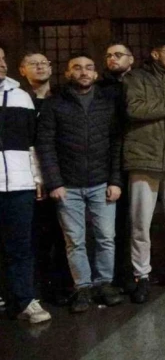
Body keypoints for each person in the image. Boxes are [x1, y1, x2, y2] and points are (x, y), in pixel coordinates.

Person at [36, 54, 124, 313]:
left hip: (101, 182)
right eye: (77, 68)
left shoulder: (107, 103)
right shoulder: (54, 104)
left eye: (89, 68)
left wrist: (115, 180)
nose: (84, 72)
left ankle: (104, 283)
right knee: (75, 240)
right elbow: (45, 145)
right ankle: (82, 287)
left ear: (95, 73)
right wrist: (54, 182)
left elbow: (116, 144)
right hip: (68, 185)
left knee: (106, 237)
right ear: (67, 73)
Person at [123, 40, 165, 303]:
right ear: (155, 53)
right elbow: (135, 109)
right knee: (141, 223)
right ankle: (141, 276)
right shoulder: (137, 79)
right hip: (145, 160)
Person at [0, 46, 52, 323]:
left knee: (21, 245)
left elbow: (32, 142)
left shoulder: (21, 96)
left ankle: (25, 299)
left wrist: (37, 177)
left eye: (2, 59)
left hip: (19, 184)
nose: (2, 64)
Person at [19, 50, 72, 306]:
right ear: (22, 70)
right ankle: (38, 286)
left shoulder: (63, 98)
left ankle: (64, 285)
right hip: (30, 177)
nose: (40, 67)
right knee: (36, 235)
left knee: (64, 235)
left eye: (44, 63)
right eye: (33, 63)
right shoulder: (19, 100)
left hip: (63, 175)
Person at [99, 41, 135, 294]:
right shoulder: (100, 89)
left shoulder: (140, 84)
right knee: (115, 223)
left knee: (138, 221)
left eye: (118, 55)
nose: (113, 58)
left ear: (130, 59)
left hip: (138, 156)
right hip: (111, 160)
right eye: (109, 55)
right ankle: (118, 274)